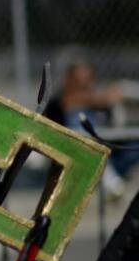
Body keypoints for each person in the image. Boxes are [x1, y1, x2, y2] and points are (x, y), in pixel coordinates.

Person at [43, 57, 137, 200]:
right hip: (77, 156)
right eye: (79, 81)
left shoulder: (101, 103)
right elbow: (69, 102)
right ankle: (110, 181)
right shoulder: (59, 101)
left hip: (109, 153)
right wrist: (97, 99)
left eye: (88, 79)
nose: (86, 84)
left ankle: (110, 178)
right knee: (78, 120)